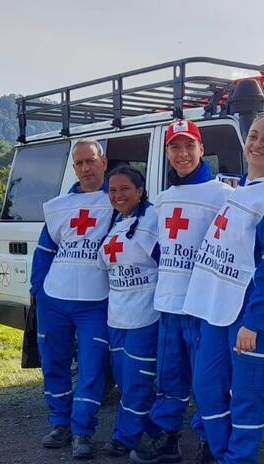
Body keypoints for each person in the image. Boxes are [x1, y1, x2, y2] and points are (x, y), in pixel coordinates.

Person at [183, 114, 264, 464]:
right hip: (217, 309)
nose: (257, 144)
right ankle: (220, 452)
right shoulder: (239, 191)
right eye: (253, 136)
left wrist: (254, 322)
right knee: (206, 387)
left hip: (249, 316)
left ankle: (238, 459)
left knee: (246, 397)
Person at [130, 119, 233, 464]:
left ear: (202, 149)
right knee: (169, 378)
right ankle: (167, 439)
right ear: (167, 152)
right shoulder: (163, 199)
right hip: (170, 301)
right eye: (175, 147)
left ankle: (210, 443)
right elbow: (157, 246)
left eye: (190, 145)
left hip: (204, 306)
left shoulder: (224, 196)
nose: (183, 153)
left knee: (208, 382)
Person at [30, 139, 112, 460]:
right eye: (78, 163)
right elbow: (44, 253)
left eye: (90, 161)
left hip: (95, 302)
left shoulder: (116, 201)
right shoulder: (58, 206)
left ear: (102, 161)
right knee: (54, 364)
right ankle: (60, 423)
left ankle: (82, 431)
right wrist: (39, 293)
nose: (85, 168)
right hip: (55, 299)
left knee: (92, 368)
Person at [96, 166, 161, 457]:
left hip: (145, 317)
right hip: (117, 317)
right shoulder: (114, 223)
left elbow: (166, 264)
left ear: (140, 191)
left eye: (124, 189)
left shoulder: (152, 221)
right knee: (124, 381)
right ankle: (156, 431)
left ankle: (126, 437)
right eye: (112, 190)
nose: (118, 195)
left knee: (137, 382)